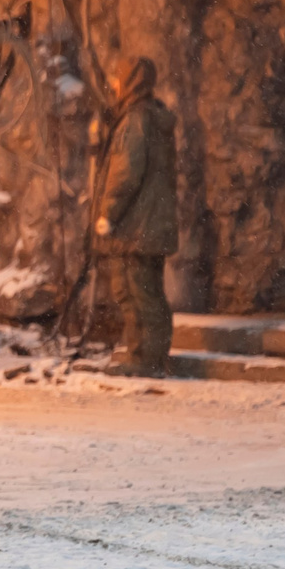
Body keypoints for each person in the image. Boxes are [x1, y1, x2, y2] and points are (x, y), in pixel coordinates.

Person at [91, 57, 178, 377]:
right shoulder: (143, 117)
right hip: (144, 225)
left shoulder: (137, 120)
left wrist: (108, 212)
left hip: (138, 225)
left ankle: (150, 360)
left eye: (119, 78)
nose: (114, 84)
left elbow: (125, 172)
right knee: (134, 291)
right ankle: (141, 354)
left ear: (131, 82)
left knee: (141, 293)